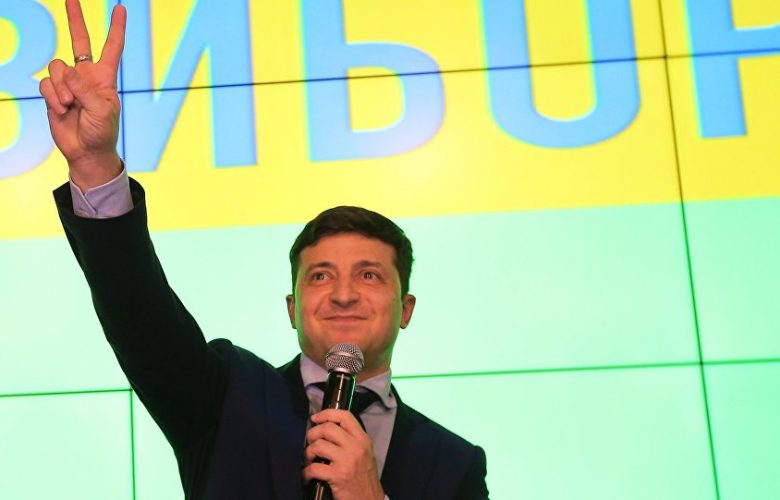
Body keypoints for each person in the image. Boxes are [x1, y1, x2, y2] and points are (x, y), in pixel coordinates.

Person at [40, 1, 488, 499]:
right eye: (320, 276)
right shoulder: (227, 396)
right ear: (292, 308)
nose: (343, 295)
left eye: (369, 275)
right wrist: (95, 164)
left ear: (406, 309)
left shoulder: (454, 464)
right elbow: (139, 315)